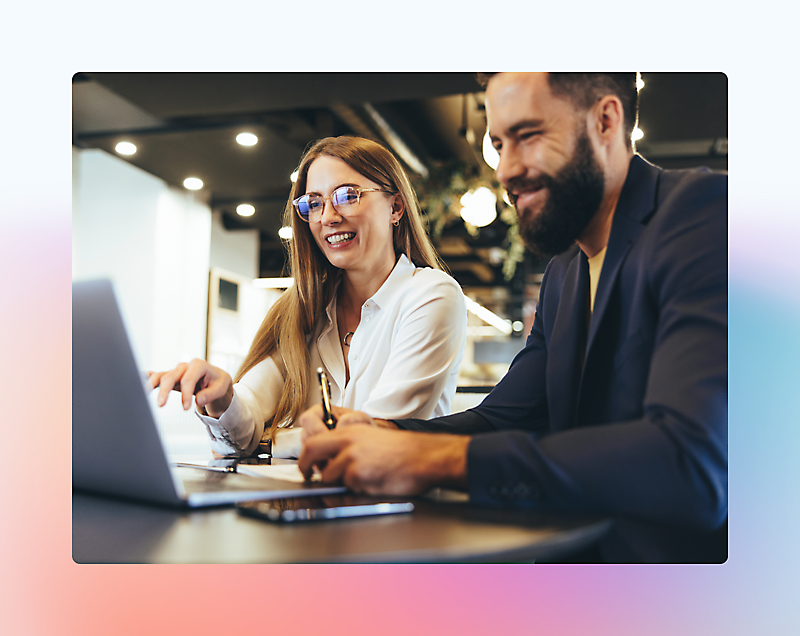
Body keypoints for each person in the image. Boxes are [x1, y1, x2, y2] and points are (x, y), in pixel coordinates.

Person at [297, 73, 728, 563]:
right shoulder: (566, 269)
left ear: (605, 120)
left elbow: (691, 465)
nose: (505, 169)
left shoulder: (704, 216)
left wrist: (436, 459)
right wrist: (385, 433)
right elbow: (503, 418)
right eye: (499, 144)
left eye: (527, 136)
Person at [149, 136, 466, 459]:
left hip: (403, 506)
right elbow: (247, 417)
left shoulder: (432, 295)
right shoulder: (304, 310)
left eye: (347, 196)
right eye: (314, 203)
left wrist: (269, 443)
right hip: (312, 505)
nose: (328, 216)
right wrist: (222, 398)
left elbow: (376, 435)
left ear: (395, 207)